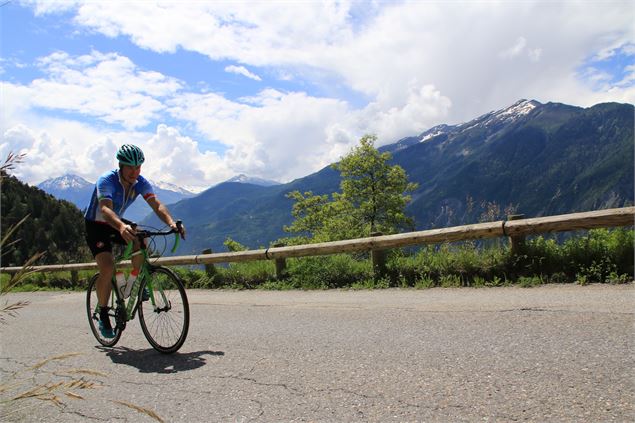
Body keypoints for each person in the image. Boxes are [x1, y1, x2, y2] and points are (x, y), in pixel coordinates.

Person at [84, 144, 186, 338]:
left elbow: (156, 204)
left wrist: (172, 223)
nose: (134, 172)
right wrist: (122, 227)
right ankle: (104, 314)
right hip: (97, 225)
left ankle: (136, 283)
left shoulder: (140, 182)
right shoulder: (107, 180)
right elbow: (105, 210)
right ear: (120, 166)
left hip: (116, 221)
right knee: (107, 267)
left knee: (142, 240)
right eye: (130, 167)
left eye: (138, 167)